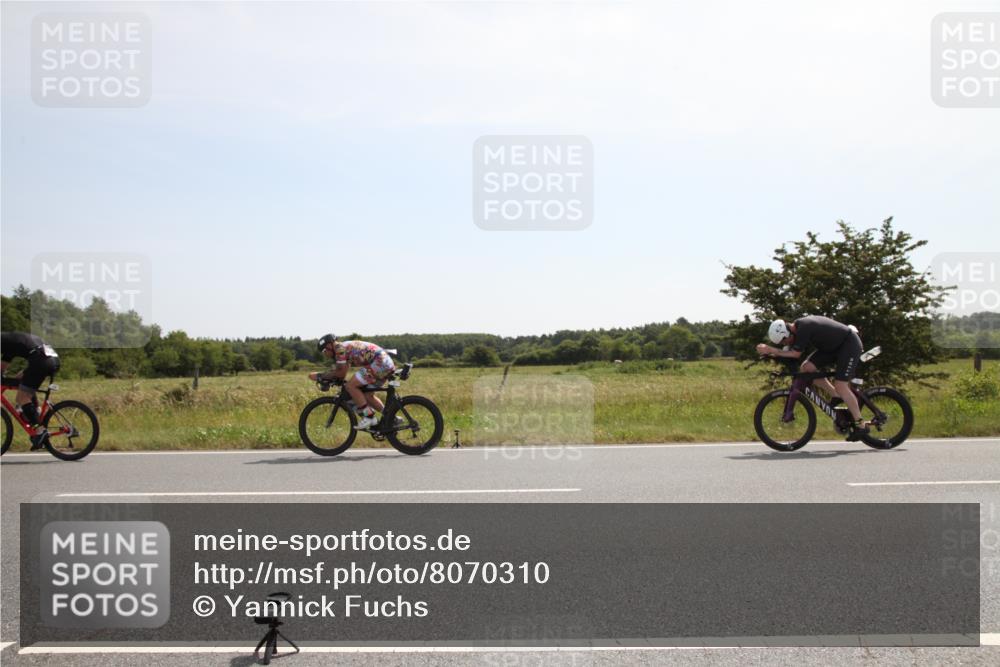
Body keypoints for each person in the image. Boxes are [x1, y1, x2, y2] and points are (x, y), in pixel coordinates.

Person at [755, 315, 869, 441]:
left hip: (848, 344)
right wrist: (771, 353)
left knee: (841, 385)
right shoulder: (798, 328)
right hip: (833, 348)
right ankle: (836, 395)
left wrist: (771, 350)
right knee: (806, 368)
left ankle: (861, 426)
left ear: (787, 332)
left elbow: (795, 354)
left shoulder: (804, 327)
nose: (785, 344)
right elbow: (791, 354)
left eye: (784, 341)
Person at [309, 334, 395, 430]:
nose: (325, 355)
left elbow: (340, 373)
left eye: (324, 351)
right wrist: (331, 377)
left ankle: (369, 417)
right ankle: (391, 417)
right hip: (384, 362)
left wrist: (320, 376)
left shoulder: (339, 349)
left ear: (329, 346)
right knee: (367, 395)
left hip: (379, 363)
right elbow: (343, 372)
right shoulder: (343, 348)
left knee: (350, 386)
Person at [1, 331, 61, 449]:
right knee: (22, 381)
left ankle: (40, 430)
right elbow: (3, 365)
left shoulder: (4, 341)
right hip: (51, 359)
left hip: (41, 360)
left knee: (22, 397)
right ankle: (34, 412)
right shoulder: (8, 340)